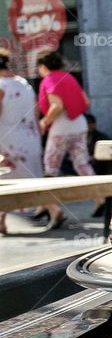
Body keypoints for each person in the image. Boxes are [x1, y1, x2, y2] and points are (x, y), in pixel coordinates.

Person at [37, 51, 95, 229]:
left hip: (60, 128)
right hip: (79, 124)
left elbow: (57, 105)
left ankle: (53, 209)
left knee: (50, 168)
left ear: (43, 66)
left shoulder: (49, 79)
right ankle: (101, 199)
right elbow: (86, 102)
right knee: (82, 163)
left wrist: (44, 122)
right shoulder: (69, 77)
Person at [0, 49, 43, 234]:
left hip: (8, 138)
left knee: (6, 181)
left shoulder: (1, 85)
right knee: (30, 179)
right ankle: (54, 209)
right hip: (29, 136)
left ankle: (1, 219)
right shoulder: (24, 83)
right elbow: (36, 111)